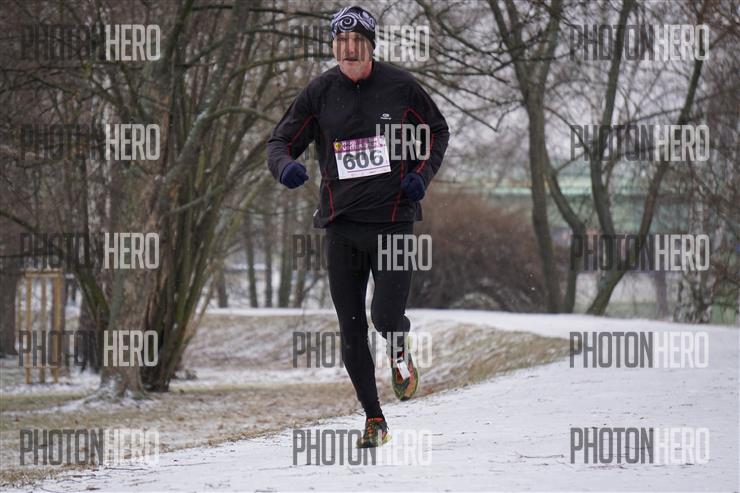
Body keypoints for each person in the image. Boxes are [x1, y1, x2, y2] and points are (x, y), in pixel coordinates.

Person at [267, 5, 449, 448]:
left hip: (393, 222)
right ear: (334, 47)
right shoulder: (320, 92)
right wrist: (285, 167)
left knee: (384, 316)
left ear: (371, 46)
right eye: (341, 42)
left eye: (357, 43)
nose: (349, 50)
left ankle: (399, 347)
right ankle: (374, 419)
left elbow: (437, 131)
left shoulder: (401, 87)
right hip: (342, 226)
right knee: (351, 329)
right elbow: (280, 141)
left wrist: (420, 176)